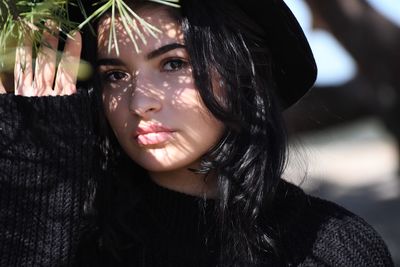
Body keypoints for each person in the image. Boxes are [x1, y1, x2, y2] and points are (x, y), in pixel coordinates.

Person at [0, 0, 394, 266]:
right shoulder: (65, 234)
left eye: (173, 64)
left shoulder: (333, 248)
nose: (140, 103)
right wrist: (38, 184)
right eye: (115, 75)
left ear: (243, 72)